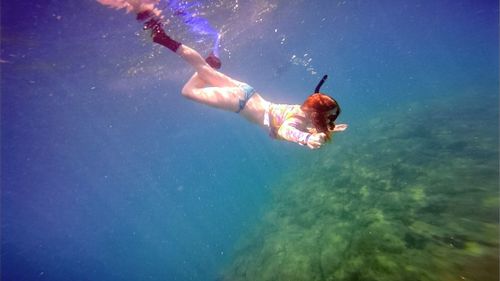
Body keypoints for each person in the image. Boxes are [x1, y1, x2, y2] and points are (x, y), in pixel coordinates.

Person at [97, 0, 348, 149]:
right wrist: (306, 140)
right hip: (239, 102)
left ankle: (167, 41)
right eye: (327, 117)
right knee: (188, 91)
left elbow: (308, 120)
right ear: (316, 113)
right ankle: (166, 41)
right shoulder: (295, 122)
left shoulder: (302, 111)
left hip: (248, 92)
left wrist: (328, 129)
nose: (327, 120)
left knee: (204, 70)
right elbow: (286, 131)